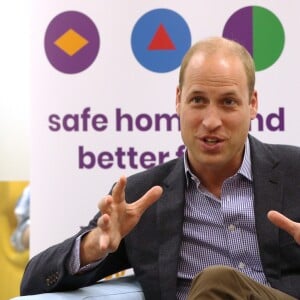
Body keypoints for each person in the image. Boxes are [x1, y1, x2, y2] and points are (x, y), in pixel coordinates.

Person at [20, 37, 300, 299]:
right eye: (198, 100)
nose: (211, 121)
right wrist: (92, 245)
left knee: (218, 282)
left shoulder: (295, 171)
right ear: (178, 101)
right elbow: (33, 281)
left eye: (228, 102)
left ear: (252, 105)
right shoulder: (144, 198)